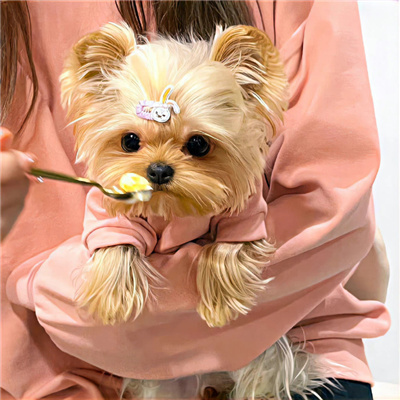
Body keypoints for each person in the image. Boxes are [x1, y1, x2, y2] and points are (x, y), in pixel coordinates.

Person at [0, 1, 390, 399]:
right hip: (69, 364)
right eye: (132, 143)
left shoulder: (240, 201)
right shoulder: (112, 201)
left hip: (290, 331)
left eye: (197, 146)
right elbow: (107, 260)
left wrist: (219, 271)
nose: (159, 168)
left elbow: (325, 211)